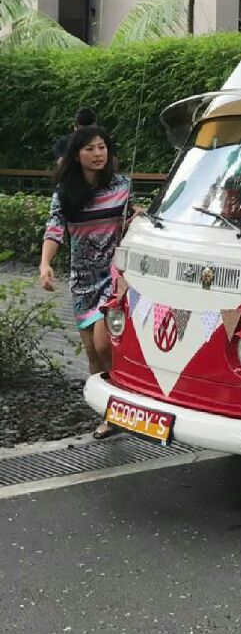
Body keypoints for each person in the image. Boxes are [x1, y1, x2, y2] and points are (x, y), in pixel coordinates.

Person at [39, 126, 131, 439]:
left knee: (106, 343)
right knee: (93, 353)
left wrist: (137, 217)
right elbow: (55, 230)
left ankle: (126, 403)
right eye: (90, 149)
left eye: (102, 147)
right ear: (77, 154)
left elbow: (132, 219)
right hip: (82, 280)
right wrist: (45, 263)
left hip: (115, 276)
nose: (97, 154)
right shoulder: (65, 193)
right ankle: (109, 414)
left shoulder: (122, 185)